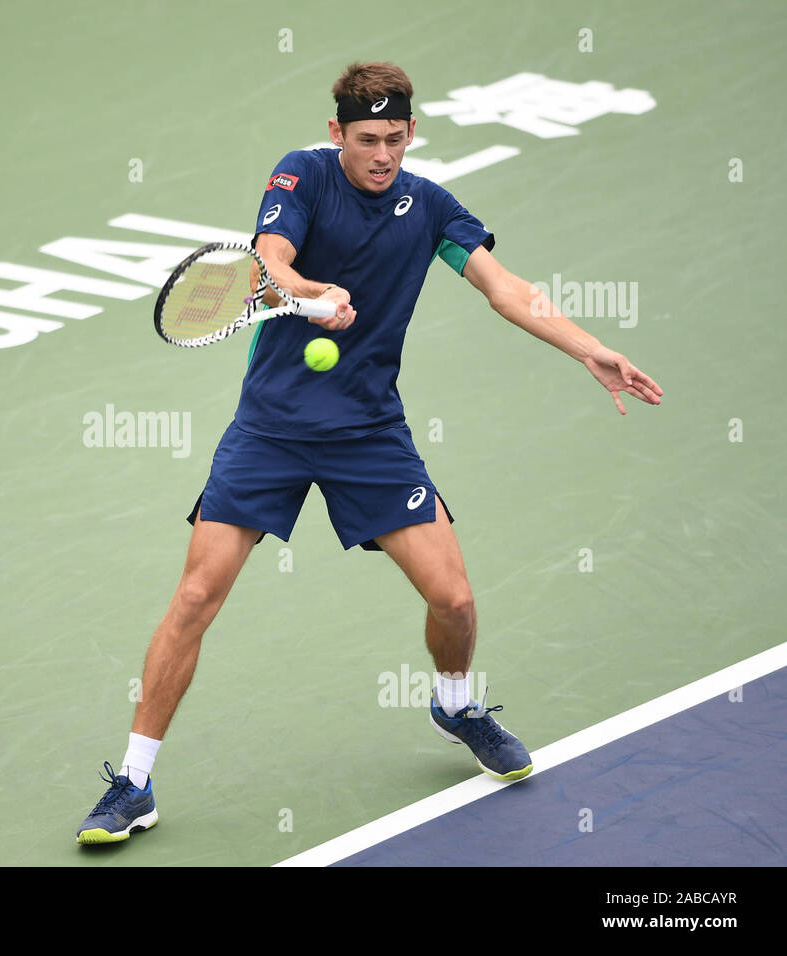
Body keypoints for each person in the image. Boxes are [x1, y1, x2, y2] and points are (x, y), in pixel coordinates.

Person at [75, 61, 663, 845]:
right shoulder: (304, 177)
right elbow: (270, 258)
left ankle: (455, 706)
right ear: (336, 134)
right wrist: (310, 293)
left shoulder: (432, 209)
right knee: (195, 598)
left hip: (368, 433)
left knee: (452, 599)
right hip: (271, 429)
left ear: (412, 132)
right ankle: (135, 784)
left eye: (395, 138)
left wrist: (588, 348)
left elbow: (505, 287)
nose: (382, 154)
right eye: (366, 139)